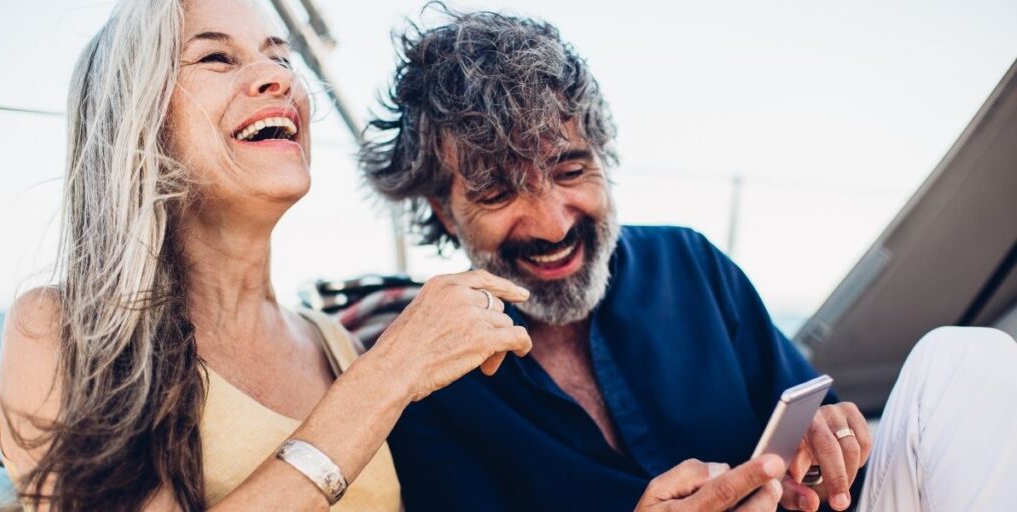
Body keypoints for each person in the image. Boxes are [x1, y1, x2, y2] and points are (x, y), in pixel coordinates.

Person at [360, 7, 1017, 512]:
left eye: (570, 169)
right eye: (500, 191)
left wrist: (823, 457)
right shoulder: (424, 379)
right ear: (446, 212)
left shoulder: (690, 265)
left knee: (966, 359)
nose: (552, 221)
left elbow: (816, 441)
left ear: (604, 159)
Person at [0, 0, 537, 510]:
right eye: (215, 56)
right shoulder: (63, 330)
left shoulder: (337, 346)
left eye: (280, 55)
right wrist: (387, 378)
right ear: (138, 120)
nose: (279, 78)